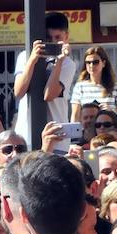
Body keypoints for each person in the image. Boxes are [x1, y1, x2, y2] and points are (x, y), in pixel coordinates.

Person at [14, 12, 76, 145]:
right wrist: (32, 60)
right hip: (26, 135)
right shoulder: (25, 56)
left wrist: (59, 61)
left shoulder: (68, 64)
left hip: (56, 138)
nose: (53, 42)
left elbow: (49, 95)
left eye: (57, 37)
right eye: (48, 38)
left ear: (66, 36)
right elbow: (18, 91)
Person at [71, 46, 117, 121]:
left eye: (95, 62)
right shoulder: (79, 87)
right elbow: (75, 115)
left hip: (108, 128)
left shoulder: (115, 86)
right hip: (88, 129)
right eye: (88, 62)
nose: (91, 65)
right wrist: (74, 131)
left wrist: (111, 110)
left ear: (103, 63)